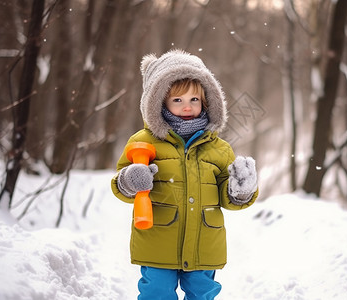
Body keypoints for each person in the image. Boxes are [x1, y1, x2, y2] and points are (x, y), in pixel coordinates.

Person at [111, 49, 259, 300]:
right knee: (156, 293)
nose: (187, 107)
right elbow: (120, 184)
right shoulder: (143, 142)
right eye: (177, 100)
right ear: (160, 101)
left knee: (202, 294)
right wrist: (130, 180)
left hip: (204, 242)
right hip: (157, 239)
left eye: (195, 100)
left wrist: (240, 190)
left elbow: (227, 197)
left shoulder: (220, 149)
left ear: (207, 101)